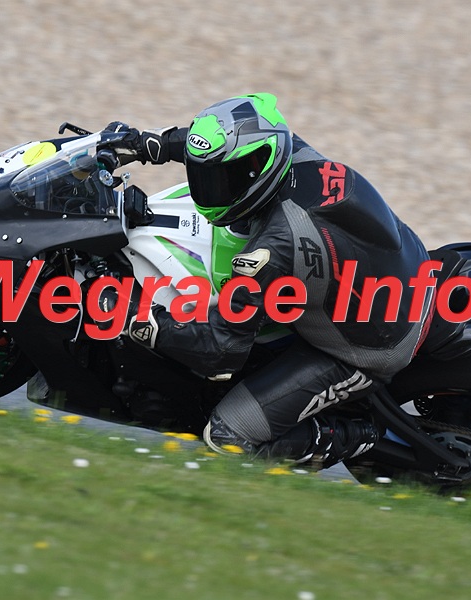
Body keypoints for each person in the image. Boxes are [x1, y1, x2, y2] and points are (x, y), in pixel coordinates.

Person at [101, 93, 434, 467]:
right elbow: (218, 151)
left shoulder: (274, 247)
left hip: (374, 344)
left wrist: (137, 319)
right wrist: (149, 144)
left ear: (257, 171)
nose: (209, 190)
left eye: (221, 181)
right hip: (409, 262)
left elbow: (221, 352)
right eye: (204, 177)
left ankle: (353, 436)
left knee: (228, 436)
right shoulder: (288, 151)